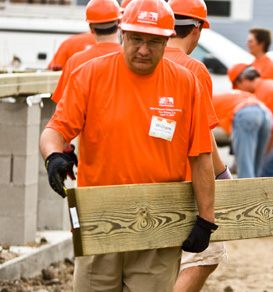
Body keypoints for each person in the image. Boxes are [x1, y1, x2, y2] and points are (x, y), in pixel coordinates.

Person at [39, 0, 216, 291]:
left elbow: (201, 157)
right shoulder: (90, 74)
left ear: (167, 39)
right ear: (122, 34)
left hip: (159, 222)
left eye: (153, 41)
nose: (143, 49)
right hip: (100, 220)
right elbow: (55, 130)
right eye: (136, 39)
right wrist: (54, 156)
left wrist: (206, 220)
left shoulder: (186, 83)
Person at [163, 0, 231, 291]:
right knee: (207, 254)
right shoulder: (194, 69)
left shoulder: (141, 61)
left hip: (147, 178)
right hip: (189, 181)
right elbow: (203, 137)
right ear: (198, 29)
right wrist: (222, 174)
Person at [51, 0, 123, 103]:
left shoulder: (75, 61)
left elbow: (63, 102)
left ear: (91, 28)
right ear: (119, 23)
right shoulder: (129, 58)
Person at [214, 65, 273, 178]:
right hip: (265, 113)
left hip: (247, 113)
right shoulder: (245, 93)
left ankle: (247, 195)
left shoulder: (205, 99)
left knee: (245, 165)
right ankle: (258, 193)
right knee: (257, 166)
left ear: (242, 80)